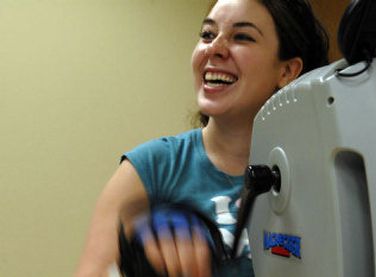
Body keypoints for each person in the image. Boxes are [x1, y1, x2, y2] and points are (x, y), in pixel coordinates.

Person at [75, 0, 329, 276]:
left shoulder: (325, 176)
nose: (214, 49)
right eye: (208, 35)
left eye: (242, 37)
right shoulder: (150, 170)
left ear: (287, 71)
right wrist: (134, 261)